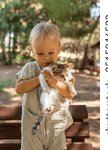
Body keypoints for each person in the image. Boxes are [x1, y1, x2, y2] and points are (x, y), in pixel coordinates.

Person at [15, 22, 77, 150]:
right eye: (40, 54)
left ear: (59, 48)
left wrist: (56, 83)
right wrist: (39, 79)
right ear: (32, 51)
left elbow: (70, 93)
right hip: (32, 125)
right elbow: (19, 88)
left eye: (50, 52)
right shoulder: (30, 68)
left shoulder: (62, 70)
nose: (46, 58)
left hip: (56, 125)